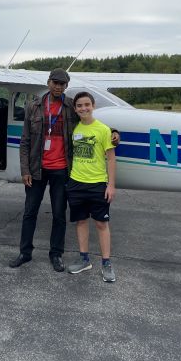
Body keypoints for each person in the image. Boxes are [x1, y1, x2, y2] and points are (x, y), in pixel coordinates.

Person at [10, 69, 119, 272]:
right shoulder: (33, 107)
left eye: (62, 84)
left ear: (66, 86)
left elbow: (90, 122)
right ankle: (25, 253)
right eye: (55, 82)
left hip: (62, 169)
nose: (58, 86)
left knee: (59, 214)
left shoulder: (71, 106)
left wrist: (113, 132)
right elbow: (25, 141)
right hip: (36, 169)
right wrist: (25, 169)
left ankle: (56, 254)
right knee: (29, 212)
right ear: (49, 82)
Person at [66, 91, 117, 282]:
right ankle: (84, 259)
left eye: (87, 104)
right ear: (75, 109)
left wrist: (110, 185)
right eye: (79, 105)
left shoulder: (103, 130)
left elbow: (111, 159)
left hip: (97, 183)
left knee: (101, 224)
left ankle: (106, 263)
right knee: (80, 221)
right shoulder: (75, 129)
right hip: (76, 182)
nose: (83, 108)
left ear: (93, 106)